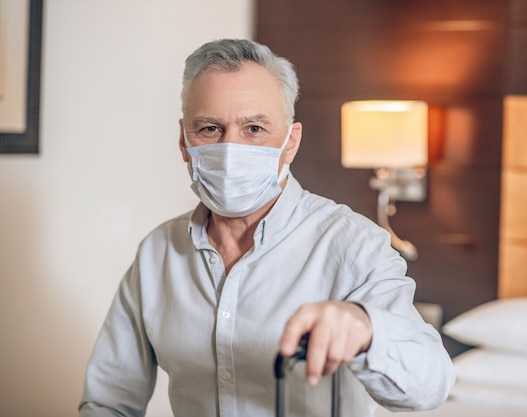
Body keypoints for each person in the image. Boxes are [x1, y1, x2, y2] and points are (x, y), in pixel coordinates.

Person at [78, 38, 455, 417]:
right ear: (183, 140)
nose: (230, 149)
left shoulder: (354, 247)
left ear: (290, 143)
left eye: (254, 128)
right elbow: (109, 401)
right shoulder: (157, 253)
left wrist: (366, 330)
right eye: (210, 128)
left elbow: (430, 386)